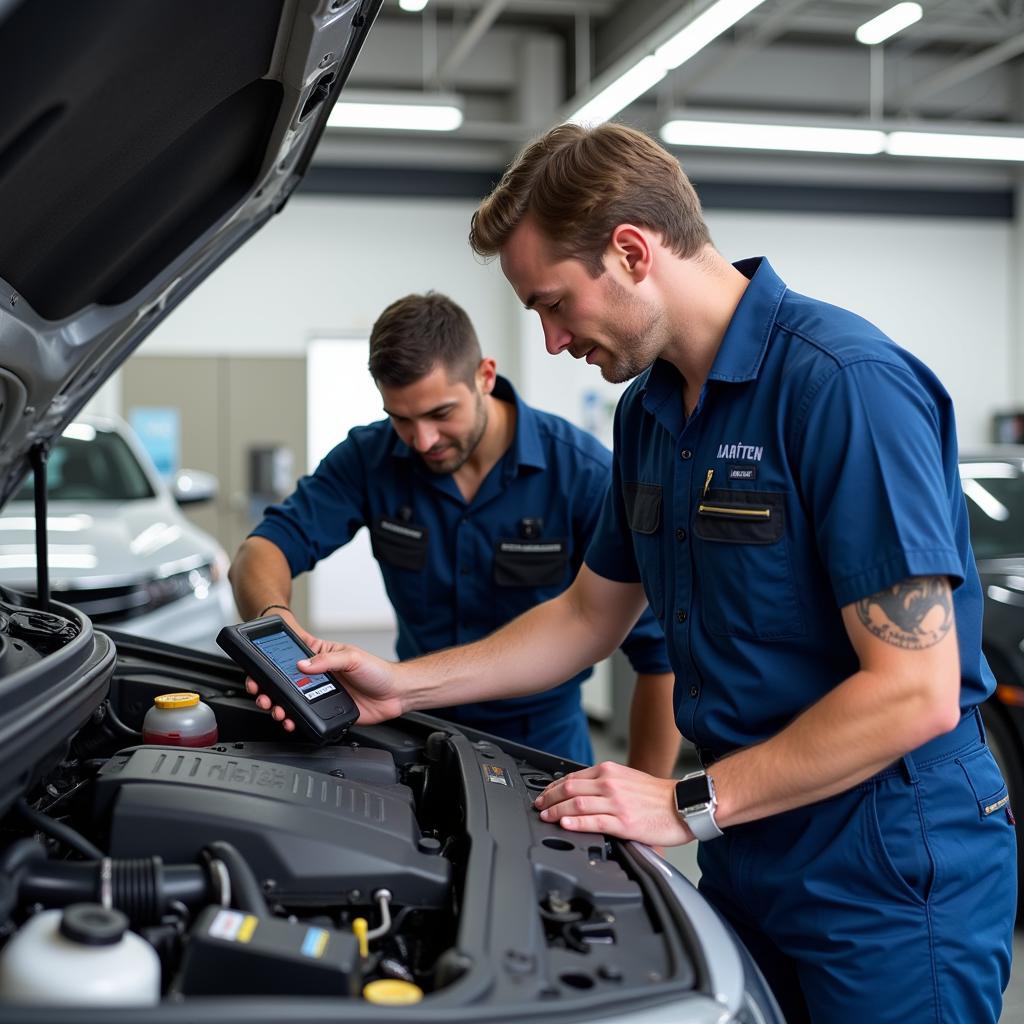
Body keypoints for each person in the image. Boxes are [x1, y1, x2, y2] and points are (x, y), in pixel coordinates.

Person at [248, 125, 1015, 1023]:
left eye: (554, 304)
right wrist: (399, 686)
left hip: (888, 860)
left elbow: (914, 692)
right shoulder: (650, 416)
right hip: (749, 841)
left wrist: (685, 800)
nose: (551, 336)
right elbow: (585, 615)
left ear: (631, 251)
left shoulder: (844, 385)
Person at [229, 290, 678, 770]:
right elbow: (263, 549)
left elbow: (660, 660)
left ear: (484, 376)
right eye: (401, 418)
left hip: (542, 748)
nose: (423, 440)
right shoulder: (369, 457)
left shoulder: (582, 475)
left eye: (440, 414)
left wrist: (639, 816)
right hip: (414, 733)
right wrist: (279, 625)